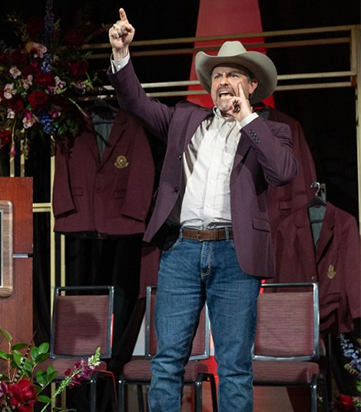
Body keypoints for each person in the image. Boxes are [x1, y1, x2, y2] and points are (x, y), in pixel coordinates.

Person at [107, 8, 297, 412]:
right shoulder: (183, 119)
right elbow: (135, 103)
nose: (223, 81)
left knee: (234, 365)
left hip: (234, 254)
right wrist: (121, 54)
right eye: (217, 75)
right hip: (182, 252)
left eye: (232, 75)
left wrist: (246, 117)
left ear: (251, 85)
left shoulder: (272, 130)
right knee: (168, 361)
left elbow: (282, 173)